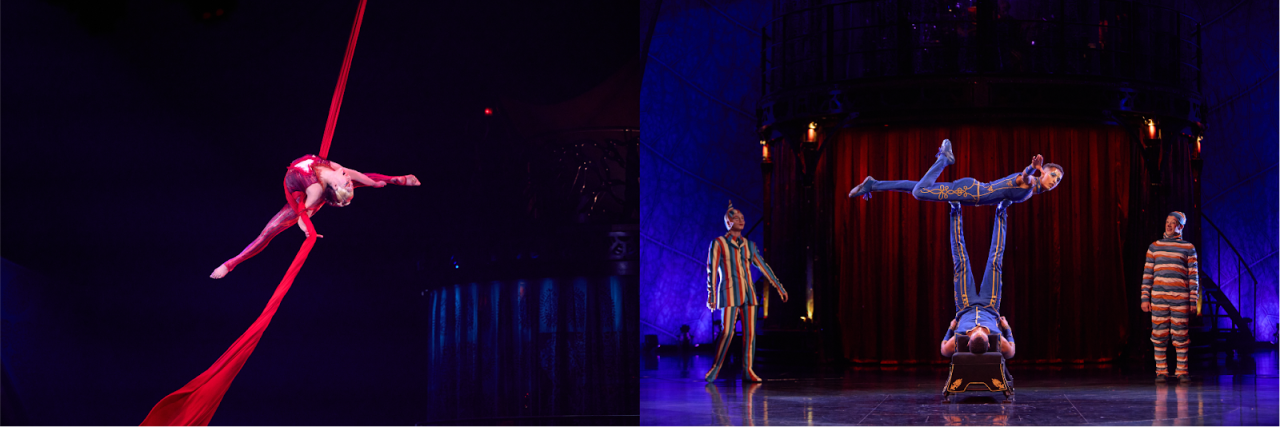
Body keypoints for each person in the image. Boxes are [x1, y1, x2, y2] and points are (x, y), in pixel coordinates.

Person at [210, 154, 419, 279]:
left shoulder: (319, 189)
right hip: (305, 184)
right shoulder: (333, 174)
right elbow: (354, 173)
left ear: (335, 185)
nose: (347, 178)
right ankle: (395, 179)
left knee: (268, 232)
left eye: (346, 183)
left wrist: (308, 231)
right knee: (359, 179)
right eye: (348, 183)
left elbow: (303, 214)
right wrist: (374, 183)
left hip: (299, 194)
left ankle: (229, 264)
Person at [704, 201, 788, 382]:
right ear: (728, 222)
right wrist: (711, 295)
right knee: (727, 332)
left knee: (750, 334)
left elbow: (763, 267)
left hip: (748, 294)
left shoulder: (749, 245)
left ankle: (747, 369)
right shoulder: (718, 243)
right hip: (729, 293)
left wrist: (778, 286)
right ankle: (716, 368)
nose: (741, 220)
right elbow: (711, 270)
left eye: (742, 217)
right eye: (736, 218)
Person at [848, 139, 1063, 206]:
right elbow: (1023, 178)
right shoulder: (1030, 183)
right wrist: (1031, 168)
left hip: (970, 192)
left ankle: (873, 184)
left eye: (1058, 180)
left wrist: (1002, 208)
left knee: (915, 186)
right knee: (919, 192)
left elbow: (1005, 195)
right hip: (970, 192)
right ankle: (944, 159)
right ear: (1043, 172)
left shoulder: (1031, 192)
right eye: (1053, 175)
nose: (1055, 181)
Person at [939, 201, 1016, 359]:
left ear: (967, 343)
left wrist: (951, 328)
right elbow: (1011, 351)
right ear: (990, 344)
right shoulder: (998, 340)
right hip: (990, 305)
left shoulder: (958, 338)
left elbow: (943, 349)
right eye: (982, 332)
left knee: (960, 262)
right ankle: (1001, 211)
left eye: (975, 333)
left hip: (965, 305)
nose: (979, 329)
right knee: (995, 262)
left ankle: (955, 211)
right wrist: (1007, 328)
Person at [1140, 211, 1200, 382]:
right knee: (1159, 335)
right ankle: (1161, 371)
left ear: (1180, 226)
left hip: (1180, 299)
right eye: (1167, 221)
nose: (1168, 225)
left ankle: (1182, 371)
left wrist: (1193, 300)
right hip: (1159, 298)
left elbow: (1193, 276)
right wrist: (1144, 298)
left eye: (1173, 222)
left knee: (1180, 335)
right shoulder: (1154, 247)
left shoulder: (1188, 248)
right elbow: (1147, 274)